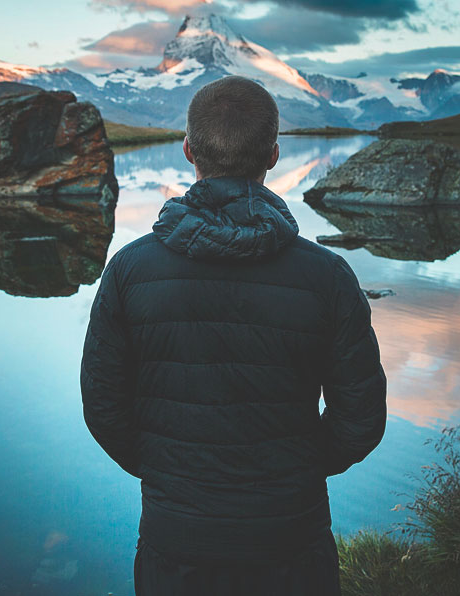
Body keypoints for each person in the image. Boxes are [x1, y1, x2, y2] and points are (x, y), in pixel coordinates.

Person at [80, 76, 387, 596]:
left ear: (187, 150)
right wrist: (300, 469)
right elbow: (361, 419)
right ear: (272, 154)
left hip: (175, 540)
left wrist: (167, 473)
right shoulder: (328, 276)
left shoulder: (129, 271)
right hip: (292, 537)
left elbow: (104, 409)